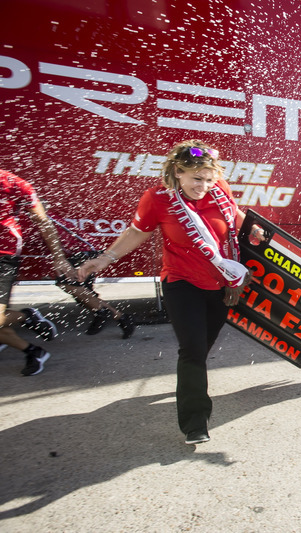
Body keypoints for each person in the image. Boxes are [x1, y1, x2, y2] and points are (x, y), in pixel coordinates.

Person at [79, 140, 259, 445]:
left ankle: (192, 392)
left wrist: (249, 228)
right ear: (178, 171)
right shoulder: (158, 199)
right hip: (181, 282)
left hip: (219, 284)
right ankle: (195, 422)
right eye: (196, 179)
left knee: (202, 348)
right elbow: (137, 232)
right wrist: (105, 258)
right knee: (191, 350)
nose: (203, 186)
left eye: (209, 179)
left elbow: (233, 215)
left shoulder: (220, 189)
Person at [0, 169, 73, 376]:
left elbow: (43, 221)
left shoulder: (11, 182)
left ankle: (26, 317)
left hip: (3, 255)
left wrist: (59, 257)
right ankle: (33, 349)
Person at [54, 250, 136, 338]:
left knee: (72, 286)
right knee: (83, 294)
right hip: (78, 252)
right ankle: (118, 317)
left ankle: (104, 313)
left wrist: (59, 257)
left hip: (80, 251)